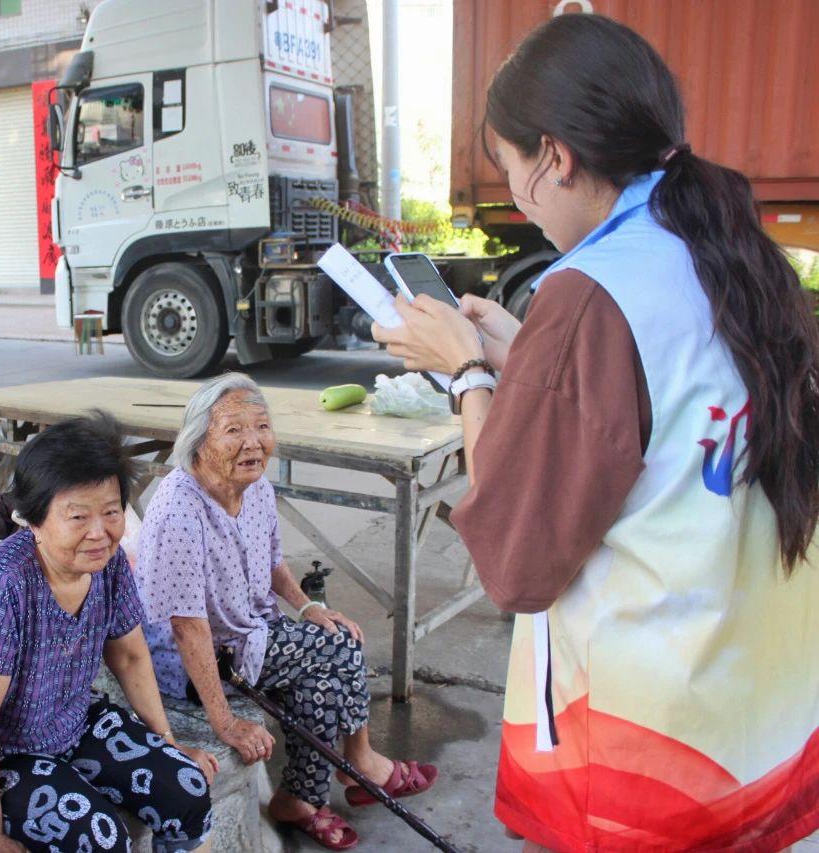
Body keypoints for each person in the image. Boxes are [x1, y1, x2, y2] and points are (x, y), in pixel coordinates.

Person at [373, 13, 819, 852]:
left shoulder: (590, 291)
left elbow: (516, 557)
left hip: (655, 753)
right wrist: (522, 355)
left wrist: (466, 371)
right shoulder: (721, 250)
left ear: (557, 156)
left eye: (510, 167)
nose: (513, 196)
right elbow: (654, 418)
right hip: (764, 723)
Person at [133, 373, 437, 851]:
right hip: (197, 660)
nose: (253, 441)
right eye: (234, 429)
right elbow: (187, 628)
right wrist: (224, 723)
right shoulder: (179, 510)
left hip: (253, 633)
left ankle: (299, 799)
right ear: (198, 440)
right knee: (336, 648)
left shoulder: (254, 487)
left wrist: (309, 605)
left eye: (261, 426)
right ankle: (362, 763)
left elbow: (271, 559)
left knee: (325, 660)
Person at [0, 413, 217, 853]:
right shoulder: (1, 587)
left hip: (70, 723)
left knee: (188, 788)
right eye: (78, 516)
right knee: (100, 838)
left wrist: (167, 745)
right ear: (33, 519)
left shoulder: (107, 561)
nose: (99, 533)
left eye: (111, 512)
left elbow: (131, 657)